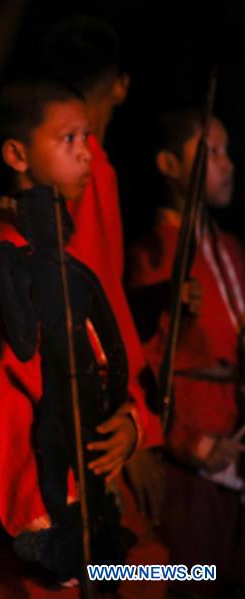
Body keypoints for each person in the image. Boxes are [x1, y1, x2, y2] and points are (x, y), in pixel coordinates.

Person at [0, 78, 148, 594]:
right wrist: (43, 516)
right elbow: (8, 388)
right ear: (17, 153)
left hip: (87, 478)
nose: (86, 154)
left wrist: (129, 422)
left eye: (87, 138)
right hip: (43, 501)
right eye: (68, 139)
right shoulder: (2, 250)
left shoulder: (52, 242)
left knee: (173, 572)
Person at [39, 16, 167, 529]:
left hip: (97, 409)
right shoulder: (84, 176)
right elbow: (95, 307)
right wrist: (134, 417)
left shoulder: (96, 170)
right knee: (135, 568)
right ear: (120, 85)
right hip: (93, 418)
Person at [127, 111, 245, 595]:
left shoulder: (232, 249)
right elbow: (143, 366)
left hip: (236, 445)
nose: (227, 164)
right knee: (188, 579)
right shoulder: (152, 254)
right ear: (169, 164)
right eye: (210, 152)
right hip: (188, 460)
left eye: (226, 151)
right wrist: (188, 443)